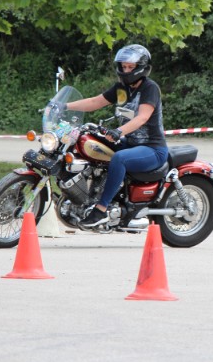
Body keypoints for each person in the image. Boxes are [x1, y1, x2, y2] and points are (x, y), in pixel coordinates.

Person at [66, 44, 168, 227]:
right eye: (124, 66)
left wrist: (119, 131)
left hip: (152, 148)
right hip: (130, 143)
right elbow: (94, 102)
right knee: (93, 145)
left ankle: (101, 210)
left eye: (130, 67)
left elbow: (142, 117)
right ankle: (85, 197)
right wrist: (64, 106)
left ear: (141, 68)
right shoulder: (122, 89)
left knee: (119, 159)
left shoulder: (149, 88)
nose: (126, 70)